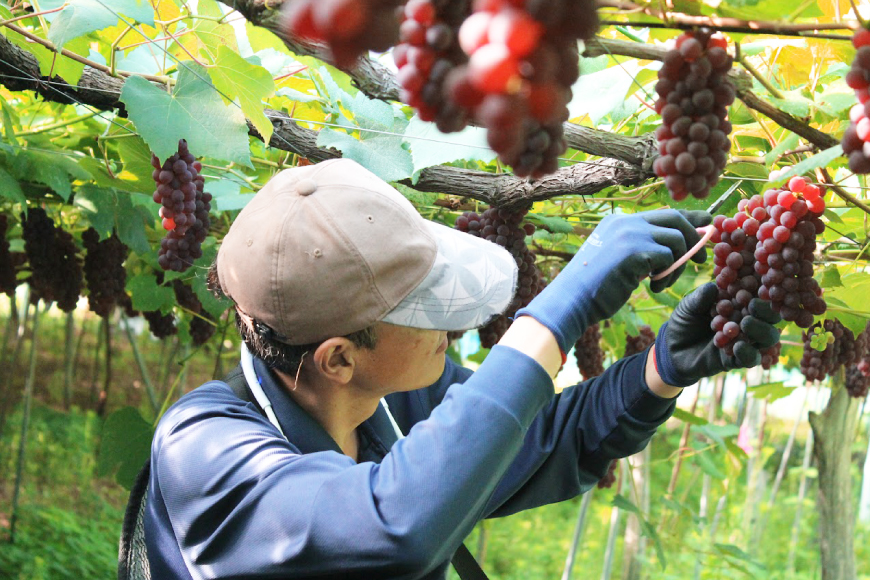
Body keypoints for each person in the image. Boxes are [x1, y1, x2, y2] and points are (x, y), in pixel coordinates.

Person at [143, 158, 780, 579]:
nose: (449, 324)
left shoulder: (392, 397)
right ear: (339, 358)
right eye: (422, 309)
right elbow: (395, 528)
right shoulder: (202, 452)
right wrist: (555, 315)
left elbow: (534, 439)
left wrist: (659, 369)